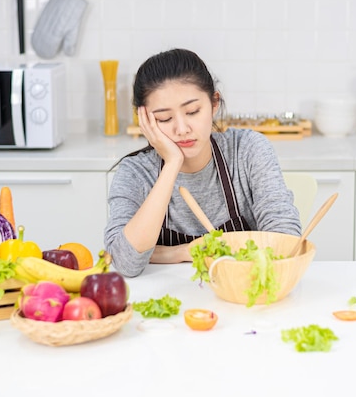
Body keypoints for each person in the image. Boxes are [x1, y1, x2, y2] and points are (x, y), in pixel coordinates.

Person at [104, 48, 301, 277]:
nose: (182, 129)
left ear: (214, 103)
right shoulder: (136, 173)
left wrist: (162, 253)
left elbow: (286, 241)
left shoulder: (248, 151)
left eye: (192, 111)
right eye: (164, 119)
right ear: (145, 120)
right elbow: (124, 262)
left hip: (242, 295)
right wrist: (172, 163)